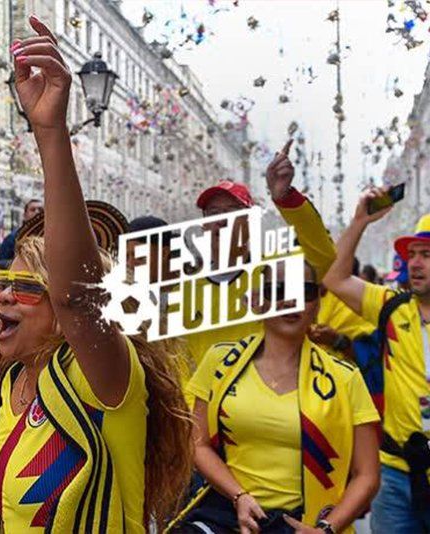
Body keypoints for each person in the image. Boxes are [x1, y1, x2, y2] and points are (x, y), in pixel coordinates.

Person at [0, 18, 192, 531]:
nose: (1, 298)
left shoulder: (102, 379)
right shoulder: (11, 386)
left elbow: (78, 298)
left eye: (24, 288)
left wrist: (50, 133)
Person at [176, 262, 380, 533]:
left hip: (302, 523)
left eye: (304, 291)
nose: (290, 300)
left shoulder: (346, 378)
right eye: (278, 290)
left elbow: (367, 475)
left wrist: (325, 529)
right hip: (226, 514)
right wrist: (239, 496)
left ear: (317, 304)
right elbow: (197, 444)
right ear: (258, 302)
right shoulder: (219, 361)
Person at [323, 190, 430, 532]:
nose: (415, 263)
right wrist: (359, 222)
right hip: (396, 474)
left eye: (426, 255)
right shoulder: (392, 306)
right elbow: (334, 278)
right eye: (412, 254)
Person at [184, 153, 337, 373]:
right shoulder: (185, 287)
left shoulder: (274, 273)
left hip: (266, 400)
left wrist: (286, 198)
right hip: (202, 404)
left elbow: (322, 255)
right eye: (213, 213)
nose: (220, 220)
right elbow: (179, 358)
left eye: (231, 212)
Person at [0, 199, 43, 268]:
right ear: (25, 215)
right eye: (33, 209)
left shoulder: (48, 236)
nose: (37, 212)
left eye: (40, 210)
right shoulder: (13, 237)